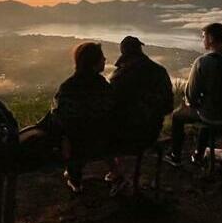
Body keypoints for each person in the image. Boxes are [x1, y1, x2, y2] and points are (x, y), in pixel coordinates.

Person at [164, 23, 222, 167]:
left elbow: (191, 96)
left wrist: (192, 104)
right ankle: (199, 154)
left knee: (178, 116)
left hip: (211, 115)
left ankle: (175, 155)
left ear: (211, 38)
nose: (203, 40)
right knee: (207, 111)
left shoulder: (202, 62)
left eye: (204, 37)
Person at [107, 36, 174, 193]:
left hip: (124, 135)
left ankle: (116, 173)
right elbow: (168, 107)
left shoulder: (118, 77)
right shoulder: (160, 72)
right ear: (140, 49)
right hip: (151, 133)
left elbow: (110, 110)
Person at [46, 42, 114, 194]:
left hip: (76, 146)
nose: (105, 60)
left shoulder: (68, 87)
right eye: (102, 58)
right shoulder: (102, 86)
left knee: (71, 132)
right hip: (101, 142)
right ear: (93, 63)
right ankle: (114, 173)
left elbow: (60, 117)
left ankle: (75, 179)